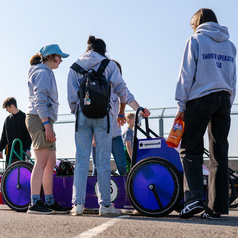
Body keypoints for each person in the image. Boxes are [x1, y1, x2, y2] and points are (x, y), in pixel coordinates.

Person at [67, 36, 149, 216]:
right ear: (102, 51)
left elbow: (72, 98)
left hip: (82, 116)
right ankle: (105, 205)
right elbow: (122, 90)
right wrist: (138, 107)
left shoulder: (74, 67)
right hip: (103, 116)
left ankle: (77, 205)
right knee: (104, 162)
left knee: (81, 160)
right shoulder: (109, 65)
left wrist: (79, 112)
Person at [175, 8, 236, 220]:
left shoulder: (196, 41)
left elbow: (186, 74)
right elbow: (233, 77)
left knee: (190, 149)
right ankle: (216, 207)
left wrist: (180, 104)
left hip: (200, 98)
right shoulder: (230, 45)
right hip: (224, 99)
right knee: (219, 154)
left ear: (197, 23)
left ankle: (192, 200)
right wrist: (228, 102)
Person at [25, 44, 71, 214]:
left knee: (50, 162)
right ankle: (35, 203)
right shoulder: (43, 73)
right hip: (39, 119)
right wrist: (47, 125)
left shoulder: (44, 72)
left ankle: (49, 201)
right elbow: (39, 100)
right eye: (59, 58)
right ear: (51, 57)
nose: (61, 61)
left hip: (43, 119)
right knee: (41, 162)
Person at [0, 97, 32, 165]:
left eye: (7, 108)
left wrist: (28, 149)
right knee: (9, 172)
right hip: (9, 152)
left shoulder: (24, 117)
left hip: (21, 150)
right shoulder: (7, 119)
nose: (6, 110)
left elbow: (28, 135)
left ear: (12, 106)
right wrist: (1, 149)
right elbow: (4, 135)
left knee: (20, 171)